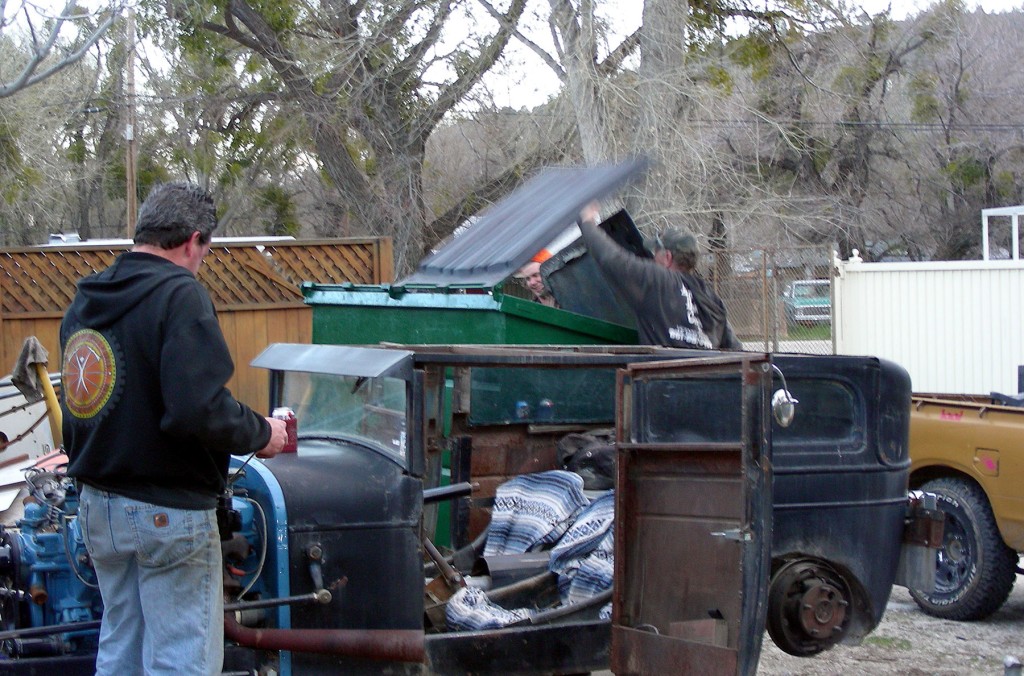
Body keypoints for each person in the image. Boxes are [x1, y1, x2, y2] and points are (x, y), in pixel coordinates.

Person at [59, 182, 287, 675]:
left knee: (120, 650)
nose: (202, 261)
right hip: (167, 514)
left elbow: (80, 403)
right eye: (205, 249)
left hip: (97, 508)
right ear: (193, 240)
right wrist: (262, 433)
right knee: (181, 661)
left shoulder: (86, 300)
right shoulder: (180, 294)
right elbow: (196, 410)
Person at [577, 201, 741, 350]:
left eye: (656, 251)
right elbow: (736, 349)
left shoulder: (657, 280)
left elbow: (612, 258)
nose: (653, 257)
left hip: (663, 373)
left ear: (667, 257)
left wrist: (587, 222)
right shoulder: (712, 298)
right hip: (705, 373)